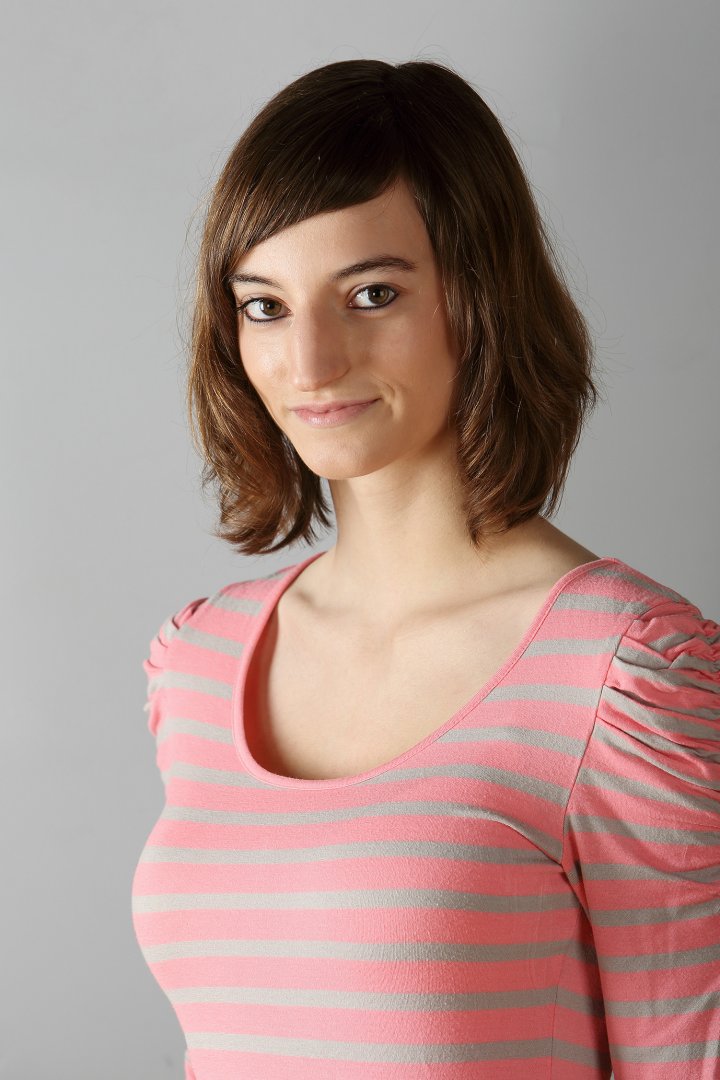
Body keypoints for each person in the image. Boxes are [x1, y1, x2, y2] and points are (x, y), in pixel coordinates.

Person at [131, 59, 720, 1080]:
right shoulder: (197, 664)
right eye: (265, 306)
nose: (310, 361)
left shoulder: (622, 677)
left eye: (372, 294)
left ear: (480, 296)